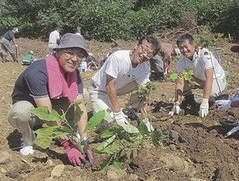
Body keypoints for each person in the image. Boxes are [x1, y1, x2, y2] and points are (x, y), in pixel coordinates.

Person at [8, 33, 93, 166]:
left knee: (84, 95)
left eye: (80, 55)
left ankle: (66, 132)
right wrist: (67, 145)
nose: (74, 59)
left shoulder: (74, 73)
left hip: (53, 106)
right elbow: (46, 112)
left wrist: (84, 139)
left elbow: (80, 106)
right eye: (69, 52)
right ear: (58, 52)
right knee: (20, 112)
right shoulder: (38, 72)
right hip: (33, 110)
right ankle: (28, 139)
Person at [88, 35, 160, 131]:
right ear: (136, 45)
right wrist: (117, 113)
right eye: (144, 49)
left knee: (144, 88)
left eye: (149, 54)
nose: (144, 55)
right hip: (99, 90)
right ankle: (102, 108)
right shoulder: (118, 58)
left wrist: (145, 119)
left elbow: (144, 95)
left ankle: (131, 109)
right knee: (109, 125)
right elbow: (109, 86)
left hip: (117, 89)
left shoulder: (145, 69)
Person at [169, 33, 227, 117]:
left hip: (216, 80)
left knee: (212, 100)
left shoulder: (204, 54)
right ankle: (189, 99)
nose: (184, 50)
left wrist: (204, 102)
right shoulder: (182, 61)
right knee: (179, 75)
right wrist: (177, 102)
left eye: (186, 47)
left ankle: (216, 98)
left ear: (194, 46)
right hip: (200, 80)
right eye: (181, 48)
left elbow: (209, 78)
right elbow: (180, 83)